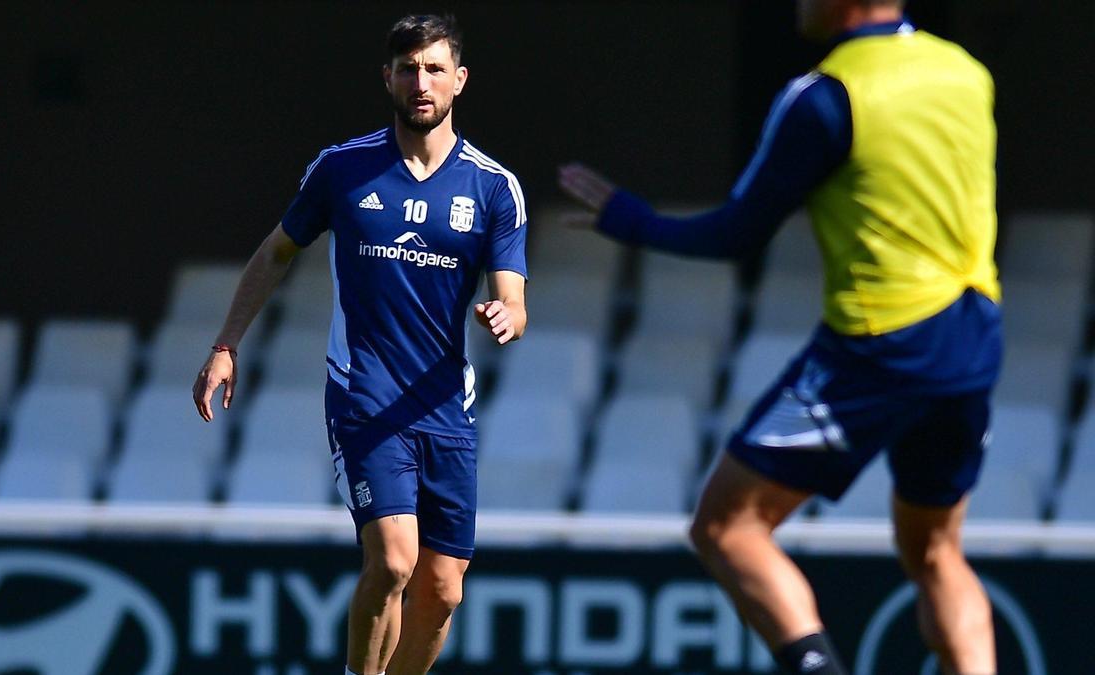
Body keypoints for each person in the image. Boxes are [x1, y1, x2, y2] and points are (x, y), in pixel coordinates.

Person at [559, 0, 999, 673]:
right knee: (936, 548)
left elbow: (738, 234)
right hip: (973, 339)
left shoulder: (824, 98)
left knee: (726, 524)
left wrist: (634, 221)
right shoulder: (964, 71)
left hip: (879, 343)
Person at [192, 14, 528, 675]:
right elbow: (277, 250)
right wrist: (227, 342)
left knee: (442, 587)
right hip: (364, 394)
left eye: (435, 68)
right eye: (408, 68)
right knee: (395, 559)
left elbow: (513, 294)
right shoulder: (343, 169)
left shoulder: (493, 187)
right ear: (388, 79)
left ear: (459, 80)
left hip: (445, 407)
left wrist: (507, 315)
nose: (421, 81)